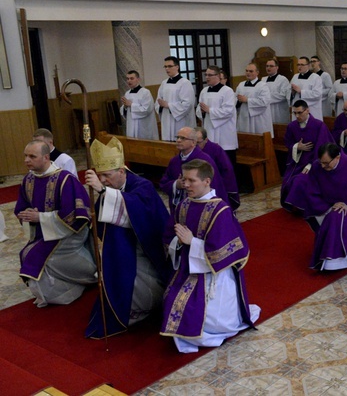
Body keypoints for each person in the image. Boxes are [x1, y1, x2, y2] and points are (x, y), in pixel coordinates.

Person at [160, 159, 258, 353]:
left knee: (207, 320)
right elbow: (170, 236)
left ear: (206, 181)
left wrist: (192, 242)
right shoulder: (183, 205)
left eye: (191, 180)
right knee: (170, 300)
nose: (185, 185)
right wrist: (178, 242)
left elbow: (224, 251)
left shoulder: (220, 210)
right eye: (183, 179)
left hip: (214, 275)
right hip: (188, 267)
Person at [82, 137, 169, 338]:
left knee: (128, 276)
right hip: (124, 246)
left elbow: (138, 215)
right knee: (116, 270)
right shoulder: (112, 186)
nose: (103, 180)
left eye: (107, 175)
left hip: (148, 250)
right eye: (99, 175)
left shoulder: (143, 185)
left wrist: (103, 191)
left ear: (122, 171)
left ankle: (143, 306)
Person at [15, 140, 96, 307]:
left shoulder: (66, 180)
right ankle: (53, 292)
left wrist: (41, 218)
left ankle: (82, 281)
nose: (26, 160)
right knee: (27, 253)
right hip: (44, 232)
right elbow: (21, 207)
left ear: (46, 157)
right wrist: (27, 215)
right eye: (25, 156)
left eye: (32, 156)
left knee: (37, 255)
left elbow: (75, 215)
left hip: (68, 234)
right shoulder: (28, 180)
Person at [159, 127, 228, 215]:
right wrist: (176, 184)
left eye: (183, 138)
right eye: (178, 137)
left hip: (201, 209)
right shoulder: (174, 161)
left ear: (193, 142)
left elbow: (214, 186)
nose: (178, 140)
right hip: (180, 210)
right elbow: (164, 183)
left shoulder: (204, 160)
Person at [281, 100, 334, 206]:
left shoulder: (319, 125)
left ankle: (302, 206)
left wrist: (311, 164)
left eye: (299, 112)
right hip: (297, 161)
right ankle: (293, 205)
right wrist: (297, 146)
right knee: (288, 180)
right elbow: (288, 143)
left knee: (299, 180)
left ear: (307, 110)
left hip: (316, 162)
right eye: (294, 113)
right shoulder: (292, 126)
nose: (297, 116)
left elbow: (323, 147)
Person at [196, 65, 238, 167]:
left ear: (218, 76)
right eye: (206, 75)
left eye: (210, 75)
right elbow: (198, 108)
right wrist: (201, 111)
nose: (207, 77)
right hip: (209, 128)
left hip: (224, 132)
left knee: (226, 163)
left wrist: (209, 110)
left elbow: (228, 111)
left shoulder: (227, 91)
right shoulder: (204, 91)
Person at [194, 127, 239, 211]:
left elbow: (227, 169)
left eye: (198, 143)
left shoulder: (216, 149)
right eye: (194, 142)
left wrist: (220, 184)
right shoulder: (190, 151)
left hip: (215, 184)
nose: (195, 146)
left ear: (206, 139)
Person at [156, 56, 196, 142]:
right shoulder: (164, 83)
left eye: (170, 66)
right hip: (167, 120)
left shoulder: (185, 83)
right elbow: (158, 101)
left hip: (180, 121)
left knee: (181, 142)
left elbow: (188, 104)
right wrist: (160, 106)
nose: (167, 69)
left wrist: (169, 105)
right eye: (165, 66)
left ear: (177, 67)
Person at [236, 62, 273, 135]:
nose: (248, 73)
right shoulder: (241, 85)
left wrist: (247, 100)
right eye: (246, 71)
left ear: (257, 72)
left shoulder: (262, 86)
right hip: (244, 117)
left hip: (258, 119)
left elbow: (264, 102)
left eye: (251, 71)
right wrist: (238, 101)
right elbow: (235, 98)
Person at [121, 70, 159, 140]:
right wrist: (125, 107)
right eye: (127, 78)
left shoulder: (145, 92)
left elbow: (147, 109)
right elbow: (125, 111)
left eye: (132, 78)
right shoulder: (127, 93)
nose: (129, 81)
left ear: (138, 79)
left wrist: (131, 105)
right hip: (131, 125)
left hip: (143, 126)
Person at [263, 58, 291, 124]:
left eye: (271, 66)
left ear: (277, 67)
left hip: (279, 110)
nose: (268, 68)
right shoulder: (263, 80)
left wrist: (266, 97)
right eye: (267, 66)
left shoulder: (282, 79)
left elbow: (283, 95)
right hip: (267, 109)